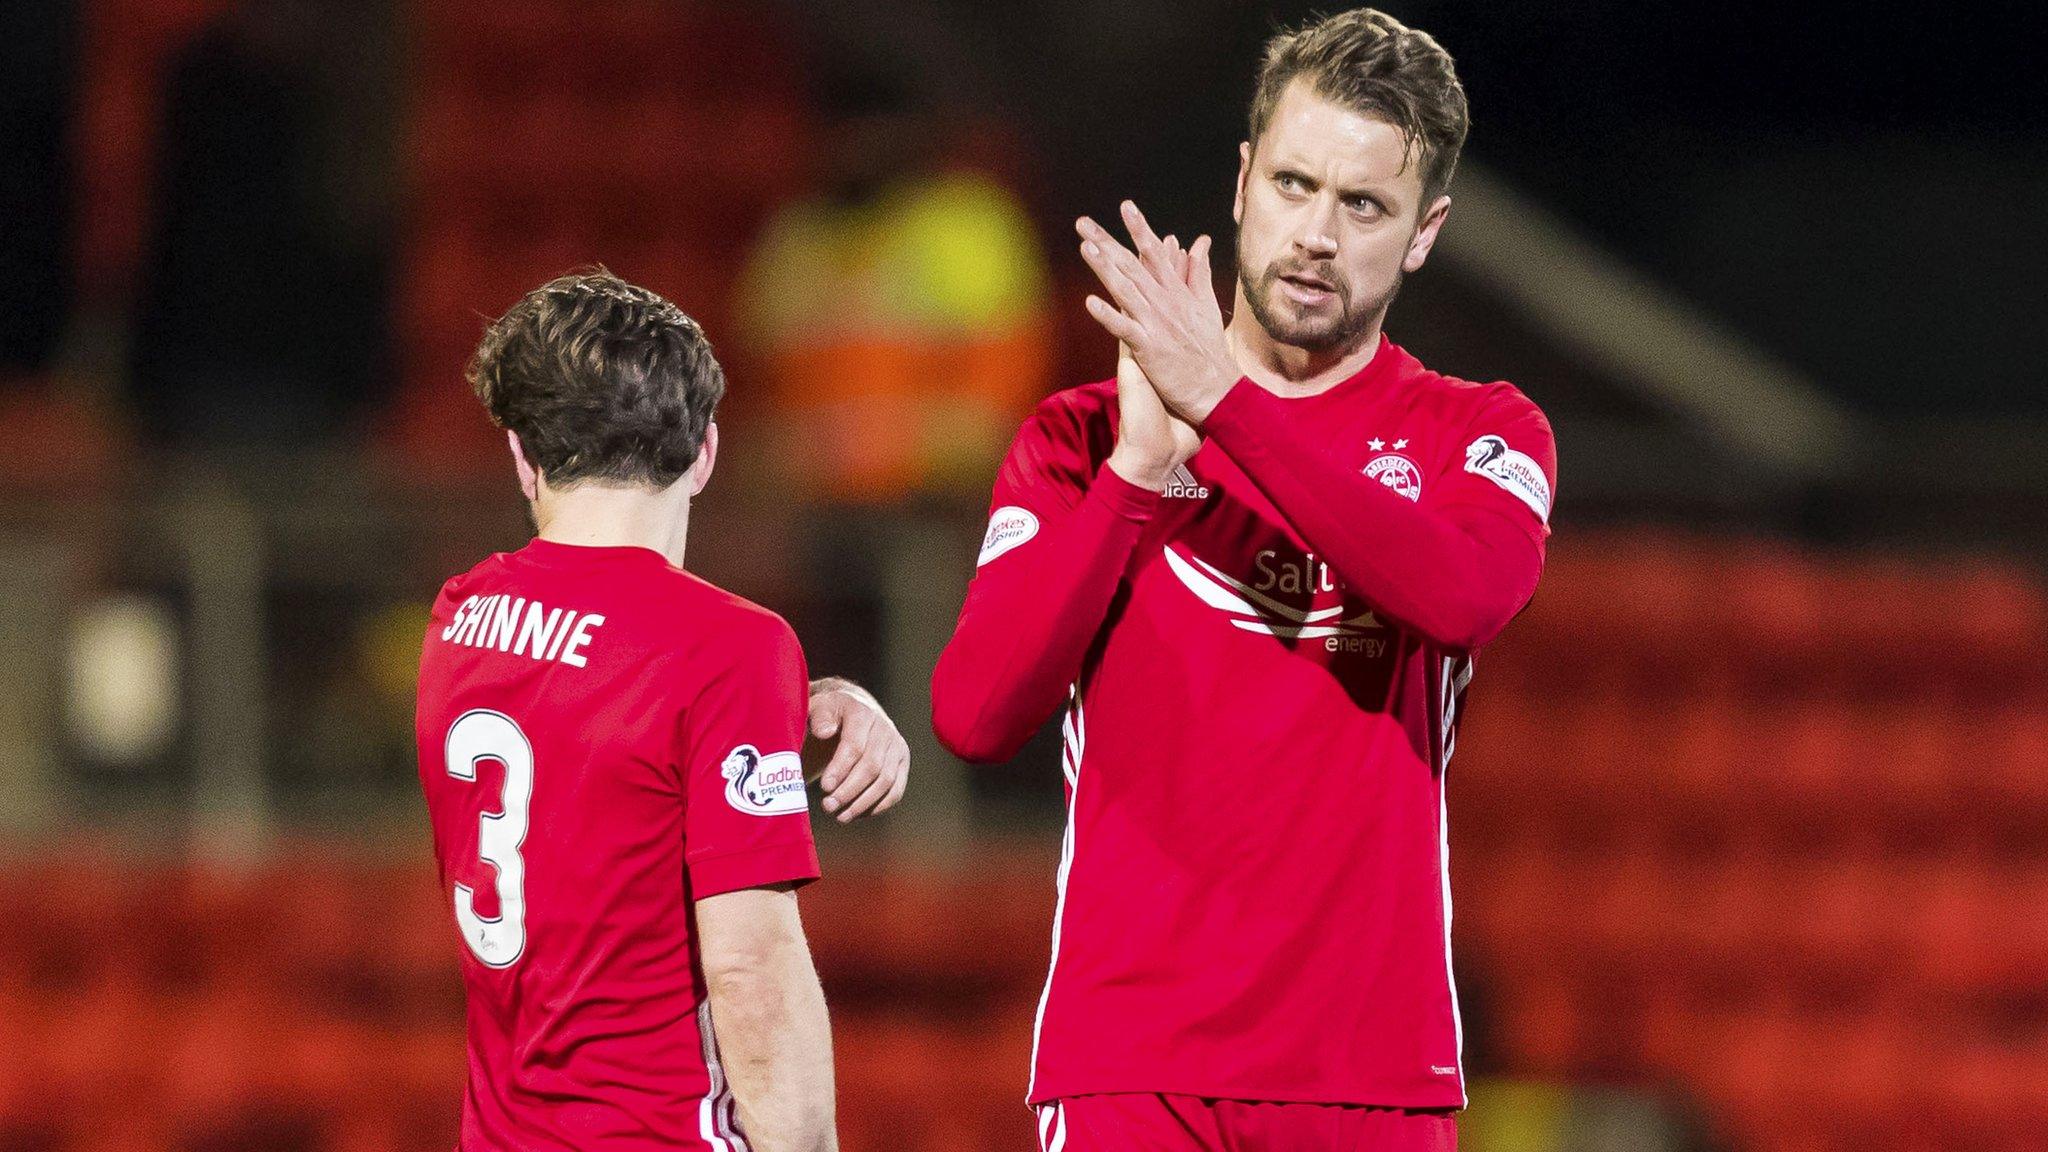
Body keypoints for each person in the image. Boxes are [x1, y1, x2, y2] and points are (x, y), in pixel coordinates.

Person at [931, 11, 1556, 1151]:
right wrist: (1136, 474)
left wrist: (1221, 405)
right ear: (1239, 182)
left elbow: (1460, 596)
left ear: (1424, 233)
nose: (1315, 233)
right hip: (1131, 1060)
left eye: (1362, 205)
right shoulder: (1078, 440)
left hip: (1367, 1069)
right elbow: (974, 715)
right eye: (1293, 184)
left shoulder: (1479, 431)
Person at [416, 270, 909, 1152]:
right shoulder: (727, 648)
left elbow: (594, 737)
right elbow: (752, 969)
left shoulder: (461, 616)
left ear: (523, 455)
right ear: (705, 452)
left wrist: (803, 702)